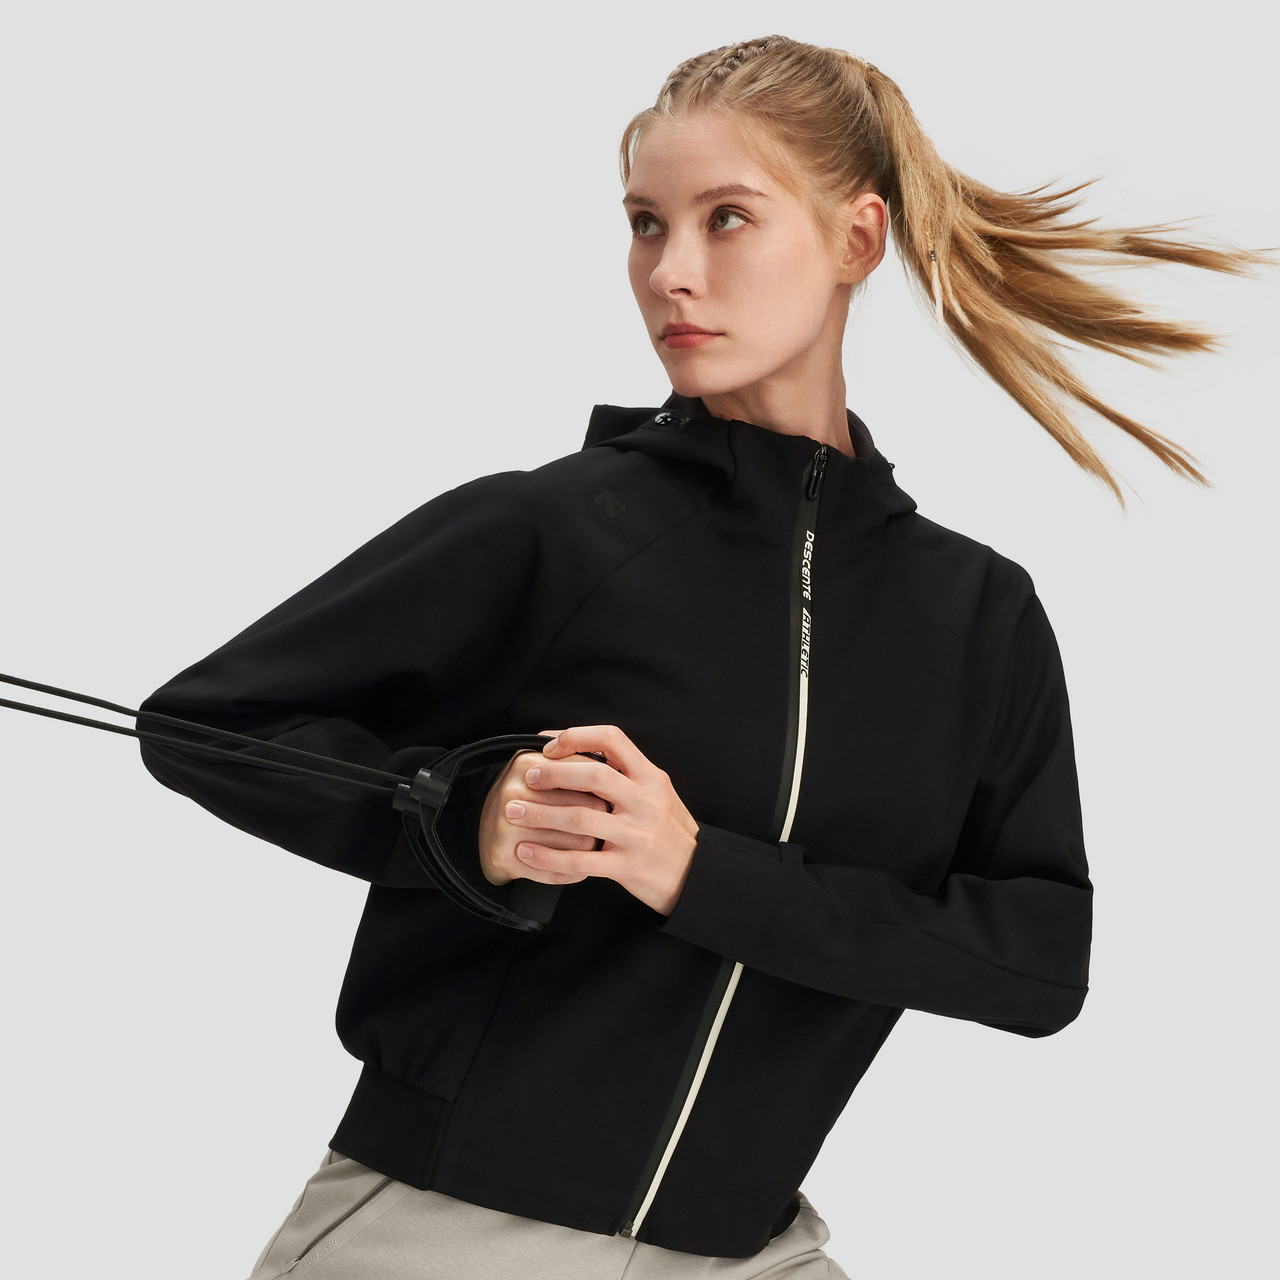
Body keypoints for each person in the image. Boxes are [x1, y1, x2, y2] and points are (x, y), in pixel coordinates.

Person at [133, 34, 1267, 1280]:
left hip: (747, 1247)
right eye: (643, 224)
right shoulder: (555, 529)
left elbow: (1036, 961)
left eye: (726, 218)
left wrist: (696, 873)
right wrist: (467, 818)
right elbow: (208, 721)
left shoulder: (974, 616)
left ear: (855, 238)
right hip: (452, 1227)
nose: (670, 271)